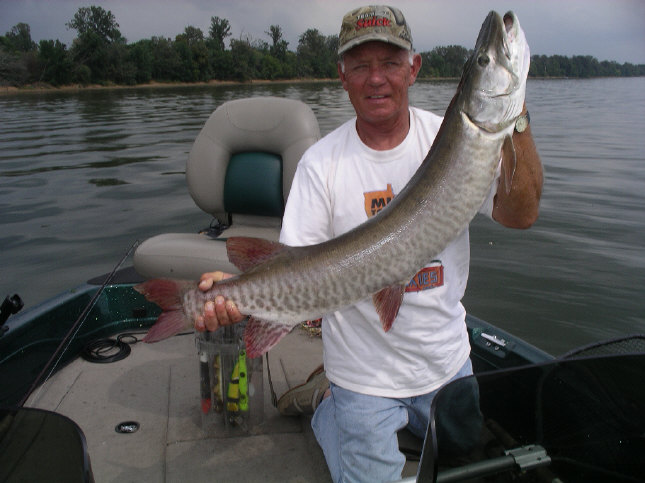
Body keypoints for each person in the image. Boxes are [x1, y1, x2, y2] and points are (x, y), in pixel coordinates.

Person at [195, 5, 543, 482]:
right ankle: (329, 407)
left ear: (413, 68)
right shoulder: (321, 164)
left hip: (446, 363)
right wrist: (237, 291)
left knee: (474, 472)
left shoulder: (457, 139)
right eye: (360, 65)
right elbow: (297, 271)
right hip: (363, 377)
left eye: (390, 63)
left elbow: (521, 214)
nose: (376, 78)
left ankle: (342, 404)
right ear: (342, 76)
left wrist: (515, 114)